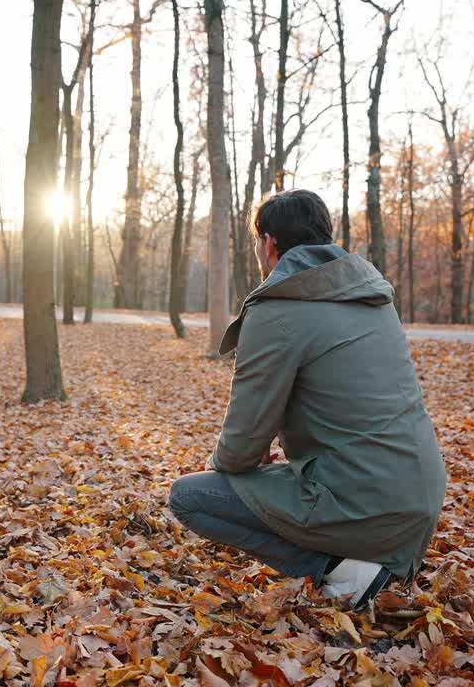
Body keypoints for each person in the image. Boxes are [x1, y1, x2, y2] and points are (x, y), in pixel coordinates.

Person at [168, 189, 446, 609]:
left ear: (269, 244)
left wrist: (234, 469)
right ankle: (368, 564)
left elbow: (241, 443)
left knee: (191, 498)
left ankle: (343, 570)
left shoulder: (277, 308)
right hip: (419, 499)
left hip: (363, 506)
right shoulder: (370, 294)